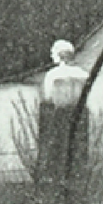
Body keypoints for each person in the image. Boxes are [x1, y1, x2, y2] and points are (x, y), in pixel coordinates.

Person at [36, 39, 90, 183]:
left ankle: (59, 178)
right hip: (80, 113)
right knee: (77, 150)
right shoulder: (83, 74)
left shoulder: (53, 76)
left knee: (59, 149)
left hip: (60, 113)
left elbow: (48, 96)